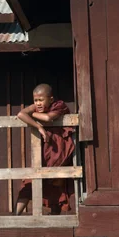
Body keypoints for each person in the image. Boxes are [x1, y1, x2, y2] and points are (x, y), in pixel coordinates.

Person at [15, 83, 75, 215]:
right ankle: (15, 215)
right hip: (45, 151)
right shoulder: (36, 107)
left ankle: (55, 214)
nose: (38, 103)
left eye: (41, 100)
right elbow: (20, 114)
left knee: (56, 181)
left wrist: (31, 114)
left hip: (58, 151)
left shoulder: (59, 106)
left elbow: (48, 118)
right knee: (29, 182)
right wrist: (38, 127)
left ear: (51, 99)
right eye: (35, 100)